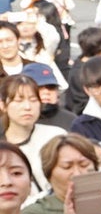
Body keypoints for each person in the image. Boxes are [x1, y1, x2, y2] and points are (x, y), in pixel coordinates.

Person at [2, 74, 68, 206]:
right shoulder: (3, 147)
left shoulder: (56, 136)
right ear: (3, 105)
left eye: (33, 100)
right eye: (19, 100)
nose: (27, 107)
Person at [26, 63, 77, 131]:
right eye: (39, 87)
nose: (46, 92)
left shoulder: (71, 120)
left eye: (51, 87)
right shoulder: (16, 120)